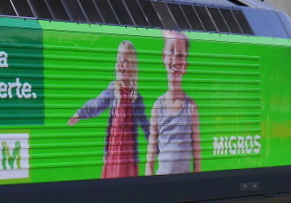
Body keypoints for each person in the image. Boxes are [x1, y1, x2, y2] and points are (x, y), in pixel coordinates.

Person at [69, 40, 149, 178]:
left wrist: (158, 145)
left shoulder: (136, 97)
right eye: (119, 60)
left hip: (128, 152)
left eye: (125, 61)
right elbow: (97, 104)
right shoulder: (113, 90)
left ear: (132, 66)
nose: (121, 64)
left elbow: (146, 125)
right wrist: (80, 113)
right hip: (114, 150)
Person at [146, 30, 201, 175]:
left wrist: (197, 174)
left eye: (181, 55)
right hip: (161, 178)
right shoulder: (158, 106)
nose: (175, 59)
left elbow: (197, 146)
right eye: (171, 51)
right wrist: (148, 176)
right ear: (163, 57)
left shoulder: (191, 107)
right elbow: (151, 148)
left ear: (185, 64)